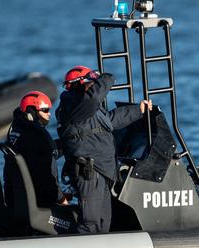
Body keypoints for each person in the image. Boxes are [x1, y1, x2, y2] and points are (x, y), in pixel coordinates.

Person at [56, 66, 152, 234]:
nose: (94, 86)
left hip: (102, 169)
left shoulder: (86, 108)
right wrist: (106, 77)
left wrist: (138, 110)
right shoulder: (74, 104)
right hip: (89, 171)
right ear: (80, 84)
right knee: (91, 222)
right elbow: (93, 99)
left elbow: (110, 121)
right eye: (91, 83)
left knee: (104, 220)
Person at [3, 91, 67, 208]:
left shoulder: (16, 130)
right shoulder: (38, 135)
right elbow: (46, 174)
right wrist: (60, 198)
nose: (49, 114)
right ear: (32, 111)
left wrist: (66, 144)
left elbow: (36, 155)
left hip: (16, 200)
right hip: (40, 204)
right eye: (45, 110)